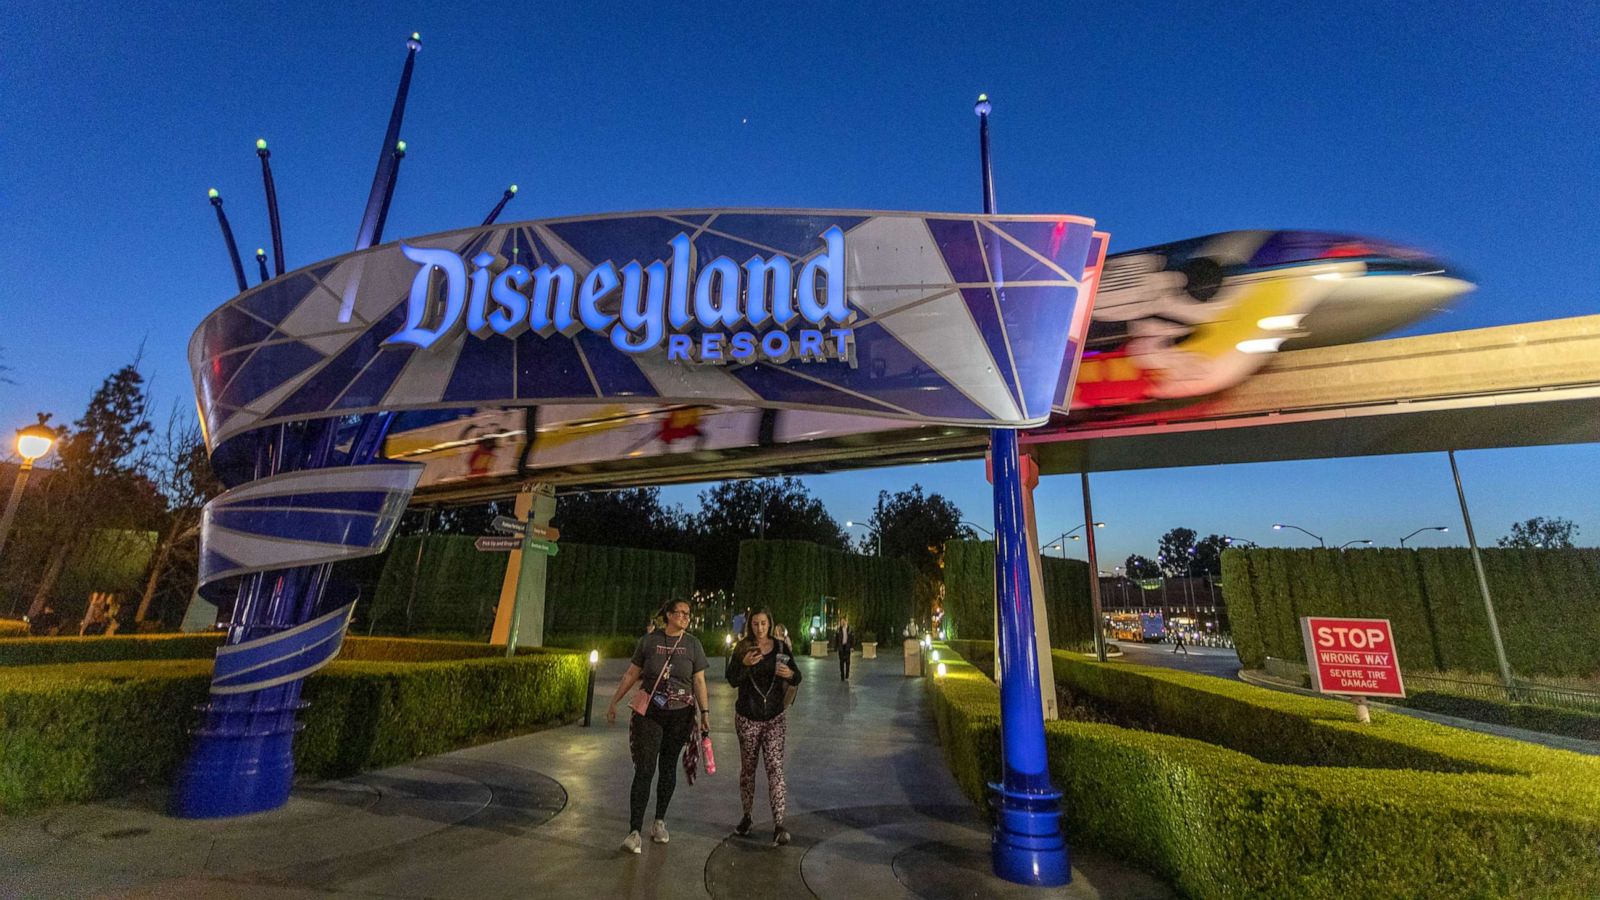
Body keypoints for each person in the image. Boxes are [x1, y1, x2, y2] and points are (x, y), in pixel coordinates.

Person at [605, 598, 711, 855]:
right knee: (645, 768)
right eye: (680, 613)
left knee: (667, 768)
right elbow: (632, 673)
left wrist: (705, 712)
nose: (685, 617)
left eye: (688, 613)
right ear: (668, 615)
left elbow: (698, 681)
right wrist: (614, 702)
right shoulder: (649, 642)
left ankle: (659, 822)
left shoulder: (693, 644)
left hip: (680, 715)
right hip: (650, 714)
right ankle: (634, 831)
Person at [725, 608, 799, 846]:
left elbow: (797, 676)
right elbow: (732, 678)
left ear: (770, 624)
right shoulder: (743, 648)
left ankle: (779, 824)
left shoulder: (779, 647)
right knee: (748, 770)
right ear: (750, 625)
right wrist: (744, 664)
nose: (759, 628)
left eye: (764, 623)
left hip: (774, 718)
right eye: (755, 624)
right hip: (748, 716)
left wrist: (790, 673)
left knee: (775, 768)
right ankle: (747, 817)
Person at [835, 616, 856, 681]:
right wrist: (836, 647)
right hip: (841, 647)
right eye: (841, 622)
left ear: (846, 621)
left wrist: (852, 647)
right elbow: (836, 639)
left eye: (843, 621)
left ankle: (847, 675)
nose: (842, 623)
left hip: (847, 647)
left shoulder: (850, 630)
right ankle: (842, 675)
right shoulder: (838, 630)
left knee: (847, 662)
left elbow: (852, 639)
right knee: (841, 662)